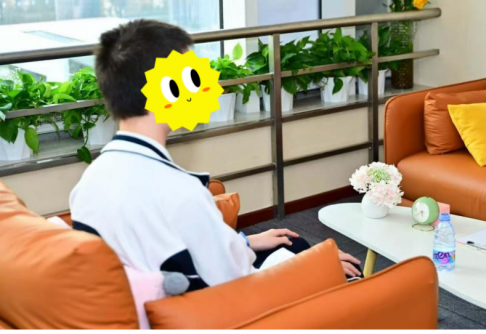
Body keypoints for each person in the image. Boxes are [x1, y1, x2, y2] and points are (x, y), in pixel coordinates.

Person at [69, 19, 361, 291]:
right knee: (338, 266)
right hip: (219, 305)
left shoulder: (89, 182)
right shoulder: (181, 193)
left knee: (288, 241)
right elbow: (237, 286)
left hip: (156, 294)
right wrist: (316, 266)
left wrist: (244, 241)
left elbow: (171, 252)